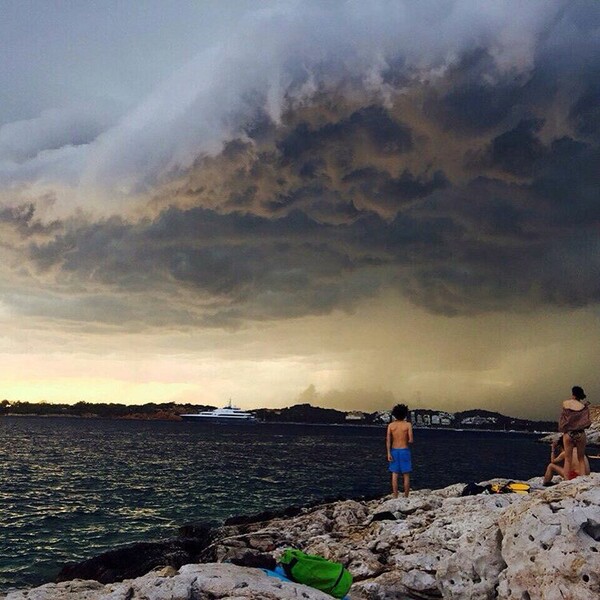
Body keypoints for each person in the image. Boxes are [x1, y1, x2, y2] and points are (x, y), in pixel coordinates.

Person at [558, 385, 591, 480]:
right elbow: (587, 423)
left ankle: (566, 480)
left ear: (573, 393)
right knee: (581, 458)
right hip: (580, 433)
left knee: (568, 459)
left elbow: (563, 418)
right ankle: (582, 479)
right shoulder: (583, 407)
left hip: (568, 433)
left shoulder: (565, 403)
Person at [386, 404, 413, 498]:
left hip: (394, 450)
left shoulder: (391, 425)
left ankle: (395, 496)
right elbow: (411, 440)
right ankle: (406, 496)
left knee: (394, 474)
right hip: (404, 450)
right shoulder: (408, 425)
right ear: (405, 414)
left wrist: (388, 453)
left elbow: (388, 440)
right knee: (406, 475)